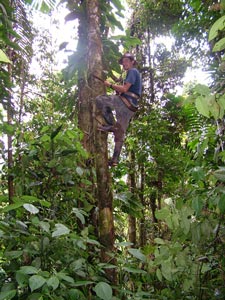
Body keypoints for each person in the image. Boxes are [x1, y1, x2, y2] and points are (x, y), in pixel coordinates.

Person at [95, 53, 142, 167]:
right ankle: (115, 160)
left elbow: (125, 89)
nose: (124, 63)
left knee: (100, 99)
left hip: (126, 103)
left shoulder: (132, 71)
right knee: (120, 133)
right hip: (131, 107)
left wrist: (110, 85)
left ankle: (111, 124)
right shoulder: (132, 74)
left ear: (132, 62)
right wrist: (119, 91)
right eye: (123, 62)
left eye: (126, 61)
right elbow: (127, 89)